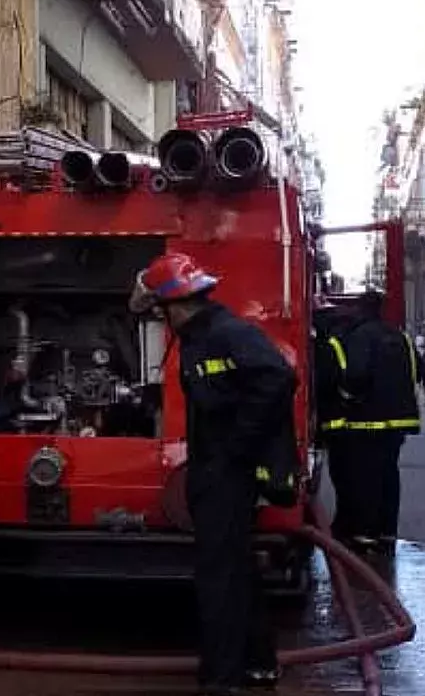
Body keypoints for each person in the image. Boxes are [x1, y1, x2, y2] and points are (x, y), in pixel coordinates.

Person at [131, 253, 294, 695]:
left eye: (162, 313)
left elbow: (277, 377)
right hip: (216, 471)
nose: (162, 322)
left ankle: (222, 679)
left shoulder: (227, 334)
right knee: (236, 568)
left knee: (218, 578)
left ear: (176, 307)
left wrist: (237, 448)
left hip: (227, 475)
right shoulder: (201, 340)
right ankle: (257, 663)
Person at [324, 290, 423, 554]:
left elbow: (355, 375)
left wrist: (347, 399)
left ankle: (364, 534)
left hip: (365, 421)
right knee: (389, 475)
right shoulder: (400, 336)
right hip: (398, 422)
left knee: (364, 477)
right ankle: (387, 532)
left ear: (361, 310)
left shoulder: (359, 337)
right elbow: (417, 371)